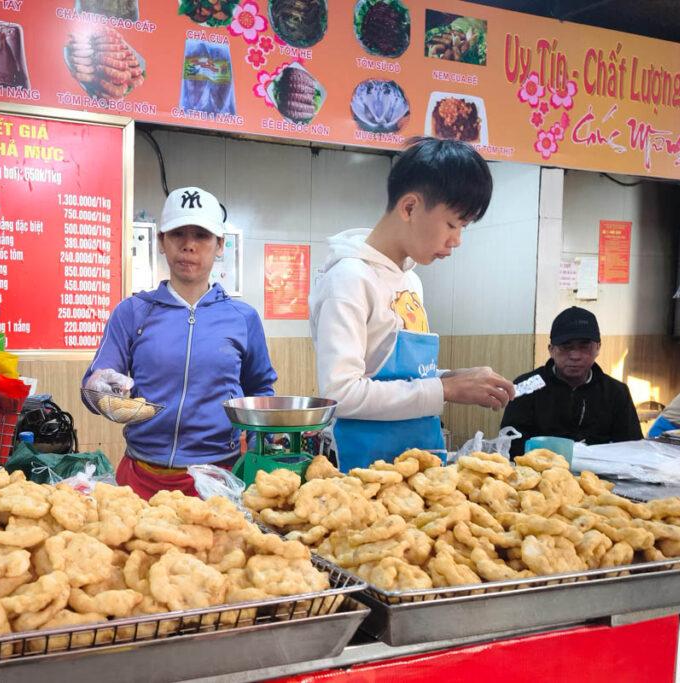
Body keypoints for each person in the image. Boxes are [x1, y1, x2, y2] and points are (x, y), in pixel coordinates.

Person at [310, 137, 514, 471]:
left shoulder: (410, 281)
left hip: (421, 461)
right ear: (409, 208)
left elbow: (402, 375)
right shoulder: (348, 279)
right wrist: (444, 389)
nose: (457, 240)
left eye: (463, 227)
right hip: (365, 468)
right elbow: (341, 394)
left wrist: (458, 378)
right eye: (452, 224)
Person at [82, 186, 277, 499]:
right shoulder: (132, 312)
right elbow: (94, 385)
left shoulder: (242, 318)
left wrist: (260, 447)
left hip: (217, 480)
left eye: (201, 235)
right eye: (178, 234)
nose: (189, 246)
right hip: (141, 476)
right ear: (161, 241)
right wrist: (97, 386)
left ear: (220, 245)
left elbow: (260, 391)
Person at [501, 306, 643, 455]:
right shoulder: (526, 386)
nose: (575, 355)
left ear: (598, 348)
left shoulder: (616, 392)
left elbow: (632, 449)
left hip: (599, 475)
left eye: (584, 346)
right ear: (551, 350)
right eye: (566, 346)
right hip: (539, 472)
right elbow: (510, 444)